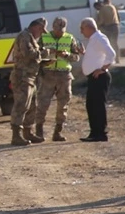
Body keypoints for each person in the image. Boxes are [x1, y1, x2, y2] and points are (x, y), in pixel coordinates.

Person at [34, 17, 81, 142]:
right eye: (56, 29)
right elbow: (35, 55)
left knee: (63, 104)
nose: (58, 32)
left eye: (61, 30)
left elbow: (77, 57)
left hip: (64, 75)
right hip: (47, 74)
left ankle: (58, 132)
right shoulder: (44, 38)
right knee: (42, 103)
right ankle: (39, 131)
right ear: (52, 27)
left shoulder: (70, 38)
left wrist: (67, 55)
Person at [9, 17, 48, 146]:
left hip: (31, 77)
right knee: (21, 105)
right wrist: (44, 53)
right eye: (41, 31)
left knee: (32, 106)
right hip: (22, 77)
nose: (41, 34)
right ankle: (16, 135)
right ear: (38, 27)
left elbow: (32, 57)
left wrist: (44, 61)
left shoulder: (30, 37)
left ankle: (27, 132)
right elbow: (28, 53)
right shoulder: (24, 36)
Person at [79, 17, 116, 142]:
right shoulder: (93, 40)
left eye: (82, 28)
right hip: (93, 78)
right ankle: (94, 132)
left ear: (89, 27)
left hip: (99, 77)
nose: (81, 31)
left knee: (98, 105)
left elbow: (111, 54)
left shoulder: (99, 38)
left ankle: (100, 133)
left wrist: (103, 69)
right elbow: (95, 56)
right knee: (91, 105)